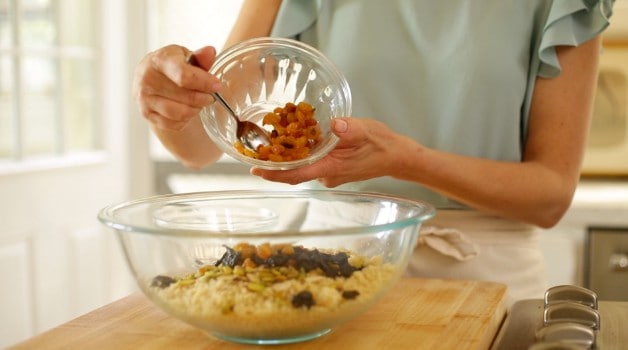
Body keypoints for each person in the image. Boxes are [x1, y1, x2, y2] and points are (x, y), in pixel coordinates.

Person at [133, 0, 615, 306]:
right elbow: (199, 144)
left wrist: (405, 159)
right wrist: (166, 100)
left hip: (488, 283)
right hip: (329, 275)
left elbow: (550, 195)